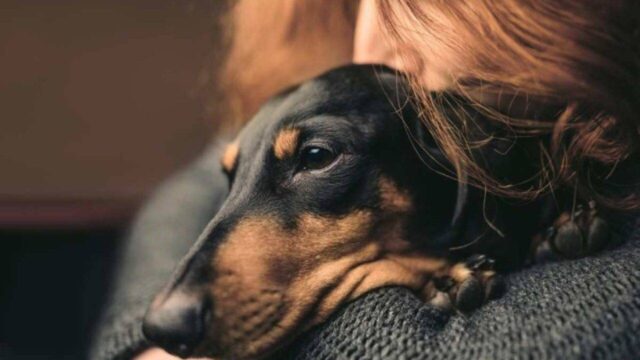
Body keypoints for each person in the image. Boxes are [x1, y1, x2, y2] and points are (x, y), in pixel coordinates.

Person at [90, 1, 640, 359]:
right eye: (360, 2)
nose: (370, 48)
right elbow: (191, 192)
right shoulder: (368, 107)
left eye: (416, 5)